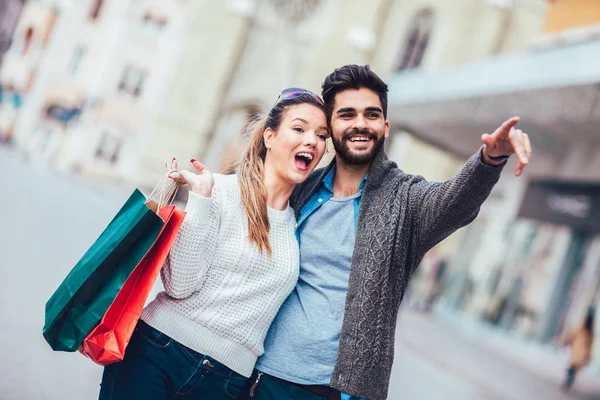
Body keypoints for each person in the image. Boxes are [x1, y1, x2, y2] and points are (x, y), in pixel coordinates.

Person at [242, 65, 533, 400]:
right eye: (347, 114)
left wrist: (490, 159)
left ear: (386, 126)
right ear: (330, 128)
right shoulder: (302, 188)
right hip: (266, 377)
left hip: (343, 391)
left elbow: (454, 203)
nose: (360, 123)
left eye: (372, 114)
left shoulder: (406, 199)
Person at [98, 88, 329, 400]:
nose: (312, 141)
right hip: (157, 352)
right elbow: (179, 286)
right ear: (270, 137)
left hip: (225, 381)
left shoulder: (297, 226)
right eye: (299, 128)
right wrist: (201, 202)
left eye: (321, 135)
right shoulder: (219, 191)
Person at [562, 307, 595, 391]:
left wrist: (566, 341)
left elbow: (572, 334)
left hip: (576, 352)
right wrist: (588, 356)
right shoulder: (590, 332)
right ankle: (569, 382)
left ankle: (568, 382)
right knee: (574, 369)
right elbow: (590, 345)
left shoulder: (581, 328)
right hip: (582, 354)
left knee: (571, 368)